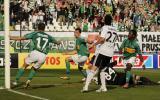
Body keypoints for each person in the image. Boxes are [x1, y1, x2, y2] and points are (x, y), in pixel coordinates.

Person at [11, 23, 60, 88]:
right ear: (44, 28)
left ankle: (16, 81)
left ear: (38, 27)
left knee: (24, 66)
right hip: (43, 55)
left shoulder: (35, 33)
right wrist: (59, 42)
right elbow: (57, 42)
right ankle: (28, 80)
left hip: (35, 52)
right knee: (34, 69)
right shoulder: (48, 36)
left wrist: (11, 38)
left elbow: (22, 38)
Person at [81, 14, 118, 92]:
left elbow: (102, 40)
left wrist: (93, 45)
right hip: (110, 53)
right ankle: (104, 87)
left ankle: (86, 87)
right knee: (102, 70)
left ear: (104, 20)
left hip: (103, 51)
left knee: (93, 68)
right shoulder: (115, 29)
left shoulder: (104, 28)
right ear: (111, 21)